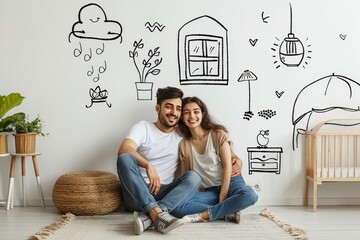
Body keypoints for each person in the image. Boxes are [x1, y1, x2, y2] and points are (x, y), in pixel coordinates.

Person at [117, 87, 201, 235]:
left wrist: (233, 156)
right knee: (124, 158)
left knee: (194, 178)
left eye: (178, 109)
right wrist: (148, 165)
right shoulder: (143, 128)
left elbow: (208, 139)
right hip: (136, 194)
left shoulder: (182, 133)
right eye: (168, 106)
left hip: (165, 193)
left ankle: (151, 215)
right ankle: (157, 212)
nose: (174, 112)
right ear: (158, 108)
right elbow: (125, 148)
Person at [172, 96, 258, 223]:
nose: (192, 116)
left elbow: (228, 166)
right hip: (211, 191)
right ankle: (226, 212)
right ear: (182, 117)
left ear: (203, 114)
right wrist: (188, 197)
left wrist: (223, 196)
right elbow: (187, 178)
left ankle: (206, 215)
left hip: (232, 182)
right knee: (176, 207)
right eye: (186, 112)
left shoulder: (218, 134)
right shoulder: (184, 145)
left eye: (196, 111)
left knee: (250, 195)